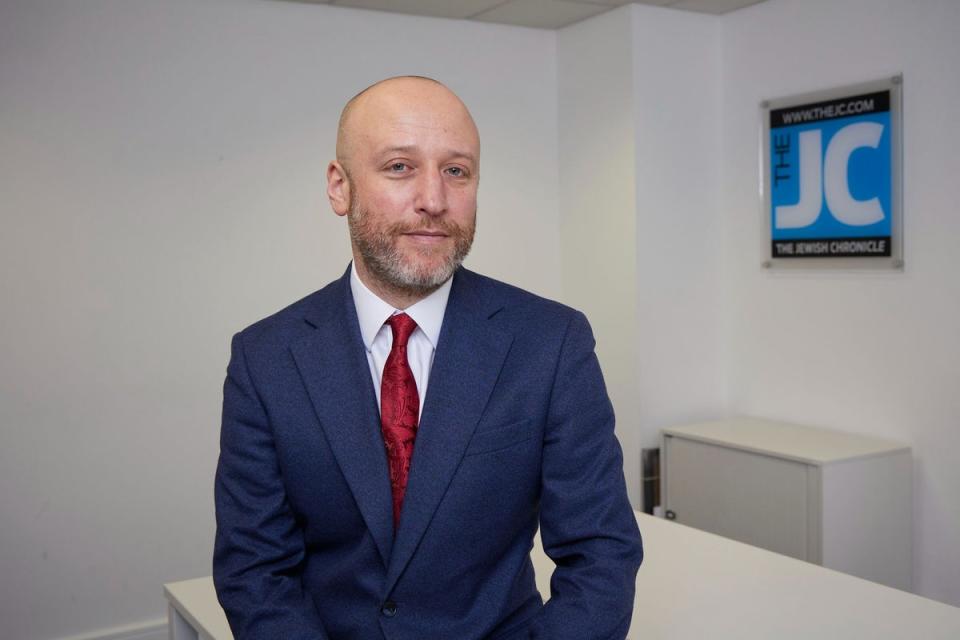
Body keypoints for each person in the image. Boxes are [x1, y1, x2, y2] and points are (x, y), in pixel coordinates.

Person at [213, 76, 642, 640]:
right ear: (340, 188)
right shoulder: (265, 359)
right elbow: (255, 570)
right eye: (399, 167)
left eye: (456, 171)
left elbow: (600, 555)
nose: (434, 200)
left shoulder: (551, 342)